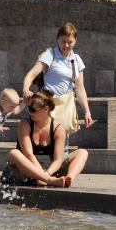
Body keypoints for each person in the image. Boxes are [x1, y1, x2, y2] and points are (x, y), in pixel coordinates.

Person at [22, 22, 94, 155]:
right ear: (57, 39)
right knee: (45, 143)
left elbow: (80, 88)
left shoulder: (76, 60)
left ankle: (59, 172)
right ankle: (40, 172)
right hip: (48, 106)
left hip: (65, 107)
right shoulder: (50, 54)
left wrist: (87, 112)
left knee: (62, 145)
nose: (66, 45)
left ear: (75, 41)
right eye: (63, 41)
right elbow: (30, 75)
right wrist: (26, 89)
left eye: (70, 42)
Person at [1, 91, 88, 187]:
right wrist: (44, 177)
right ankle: (50, 180)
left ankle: (68, 179)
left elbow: (58, 160)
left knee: (82, 153)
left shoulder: (58, 128)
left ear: (46, 109)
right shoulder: (25, 124)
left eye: (32, 109)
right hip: (25, 171)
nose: (29, 112)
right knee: (14, 153)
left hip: (49, 171)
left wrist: (47, 173)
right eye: (29, 108)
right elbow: (28, 155)